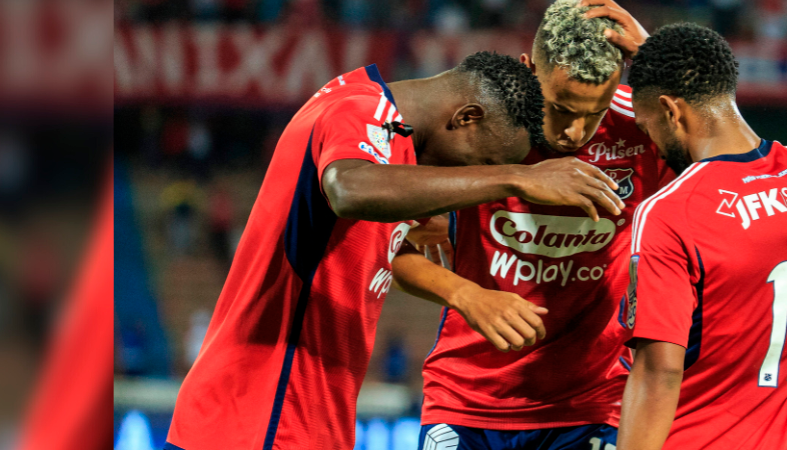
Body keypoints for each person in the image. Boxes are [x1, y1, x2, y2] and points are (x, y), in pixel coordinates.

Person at [164, 52, 626, 450]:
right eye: (485, 161)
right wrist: (517, 178)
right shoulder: (360, 109)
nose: (475, 179)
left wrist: (462, 290)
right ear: (466, 117)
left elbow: (374, 235)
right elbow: (348, 189)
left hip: (303, 413)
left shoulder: (387, 140)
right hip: (262, 407)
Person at [391, 1, 672, 448]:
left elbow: (733, 162)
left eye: (594, 113)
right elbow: (385, 247)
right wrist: (465, 293)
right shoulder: (477, 122)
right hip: (465, 399)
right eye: (560, 108)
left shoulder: (642, 127)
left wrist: (661, 60)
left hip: (592, 404)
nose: (574, 133)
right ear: (529, 70)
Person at [610, 23, 787, 450]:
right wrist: (660, 56)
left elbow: (659, 372)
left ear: (670, 110)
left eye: (647, 128)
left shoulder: (671, 213)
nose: (653, 145)